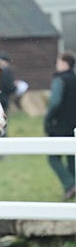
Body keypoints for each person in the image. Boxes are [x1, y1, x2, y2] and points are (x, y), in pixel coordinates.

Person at [44, 51, 76, 200]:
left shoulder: (59, 80)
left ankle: (70, 184)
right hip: (73, 124)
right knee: (72, 157)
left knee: (53, 157)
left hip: (59, 124)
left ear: (64, 62)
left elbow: (55, 102)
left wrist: (48, 118)